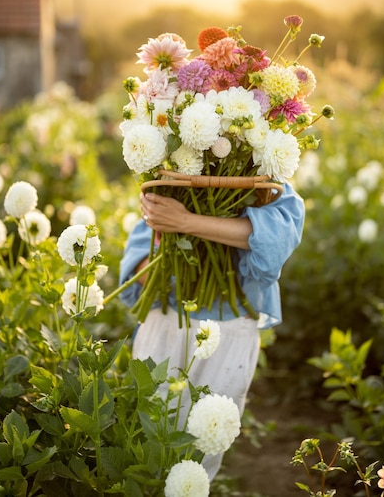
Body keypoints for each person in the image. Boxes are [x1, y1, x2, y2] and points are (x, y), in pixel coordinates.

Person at [119, 182, 305, 480]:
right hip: (167, 320)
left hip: (229, 333)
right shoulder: (172, 175)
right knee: (146, 448)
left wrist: (185, 223)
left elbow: (275, 241)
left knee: (199, 460)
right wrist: (171, 244)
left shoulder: (266, 179)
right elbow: (138, 263)